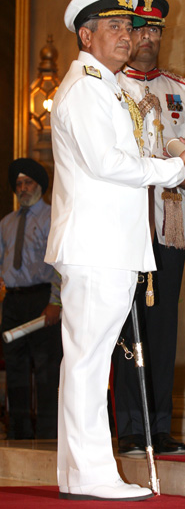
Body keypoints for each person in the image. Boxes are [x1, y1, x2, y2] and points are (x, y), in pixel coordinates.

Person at [44, 0, 185, 502]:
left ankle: (78, 472)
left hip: (105, 243)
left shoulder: (103, 85)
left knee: (87, 360)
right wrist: (176, 169)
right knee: (89, 362)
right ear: (86, 35)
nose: (127, 36)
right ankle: (91, 475)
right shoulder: (86, 89)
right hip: (97, 243)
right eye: (114, 26)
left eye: (129, 26)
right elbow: (108, 164)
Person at [113, 0, 185, 456]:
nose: (148, 38)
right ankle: (130, 425)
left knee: (164, 324)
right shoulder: (109, 87)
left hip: (168, 221)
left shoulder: (181, 90)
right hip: (125, 218)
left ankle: (160, 425)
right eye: (139, 29)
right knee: (127, 324)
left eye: (155, 31)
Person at [0, 158, 62, 440]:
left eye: (29, 182)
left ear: (40, 185)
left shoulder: (54, 217)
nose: (23, 188)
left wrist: (56, 302)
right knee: (15, 368)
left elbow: (62, 265)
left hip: (42, 299)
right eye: (19, 184)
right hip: (13, 302)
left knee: (47, 369)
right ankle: (19, 431)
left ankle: (49, 433)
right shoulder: (6, 223)